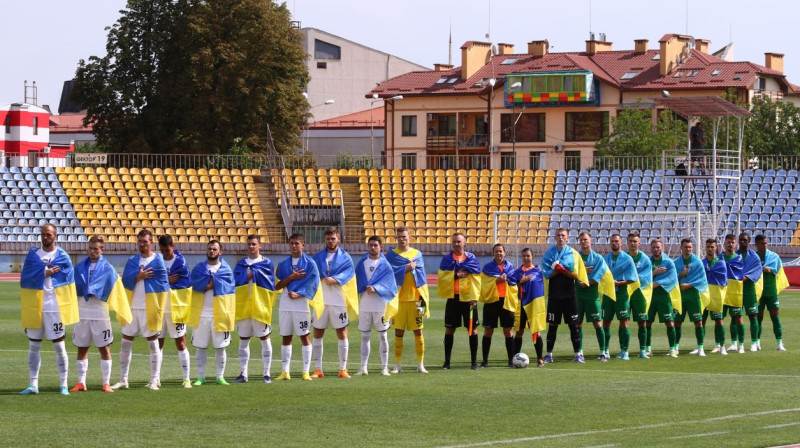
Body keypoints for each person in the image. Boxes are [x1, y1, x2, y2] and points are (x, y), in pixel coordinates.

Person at [19, 224, 79, 395]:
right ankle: (33, 384)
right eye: (43, 234)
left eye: (49, 234)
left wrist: (52, 273)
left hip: (55, 308)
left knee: (59, 346)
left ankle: (63, 384)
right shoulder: (33, 256)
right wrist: (45, 272)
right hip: (36, 306)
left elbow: (68, 279)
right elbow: (26, 277)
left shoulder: (63, 257)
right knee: (33, 346)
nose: (45, 237)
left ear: (55, 236)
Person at [70, 236, 131, 393]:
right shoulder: (79, 267)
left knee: (104, 348)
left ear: (102, 250)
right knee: (82, 348)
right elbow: (72, 286)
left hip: (99, 312)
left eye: (96, 249)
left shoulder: (108, 268)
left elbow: (115, 288)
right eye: (90, 248)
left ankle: (106, 383)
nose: (92, 251)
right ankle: (81, 382)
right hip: (82, 311)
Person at [114, 229, 169, 390]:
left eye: (145, 241)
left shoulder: (158, 262)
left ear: (151, 243)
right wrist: (139, 276)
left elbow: (163, 284)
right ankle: (123, 379)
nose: (142, 244)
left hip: (150, 308)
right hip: (132, 307)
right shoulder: (132, 261)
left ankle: (154, 380)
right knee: (125, 342)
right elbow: (126, 282)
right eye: (140, 241)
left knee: (153, 344)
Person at [311, 227, 358, 379]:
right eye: (328, 239)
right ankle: (318, 369)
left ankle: (343, 369)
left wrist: (337, 279)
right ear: (325, 240)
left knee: (342, 333)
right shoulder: (317, 257)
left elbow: (349, 274)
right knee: (317, 332)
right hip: (321, 299)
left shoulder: (346, 257)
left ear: (338, 239)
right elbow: (312, 273)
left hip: (338, 300)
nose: (331, 241)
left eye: (333, 238)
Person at [275, 233, 323, 381]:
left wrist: (299, 294)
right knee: (286, 336)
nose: (294, 246)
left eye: (297, 243)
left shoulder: (310, 263)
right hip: (285, 303)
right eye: (292, 243)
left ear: (303, 245)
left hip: (301, 304)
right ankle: (285, 372)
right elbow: (277, 286)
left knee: (305, 336)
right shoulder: (283, 264)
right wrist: (291, 277)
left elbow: (313, 284)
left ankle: (305, 371)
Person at [189, 240, 236, 386]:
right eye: (209, 248)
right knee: (200, 346)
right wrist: (209, 285)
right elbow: (194, 285)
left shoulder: (226, 270)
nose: (212, 251)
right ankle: (200, 377)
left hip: (221, 313)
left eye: (214, 249)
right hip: (201, 313)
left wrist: (209, 285)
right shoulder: (198, 269)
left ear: (220, 252)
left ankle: (220, 377)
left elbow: (229, 287)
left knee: (220, 347)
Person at [232, 235, 277, 384]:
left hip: (260, 307)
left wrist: (254, 274)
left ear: (260, 246)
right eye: (249, 244)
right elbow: (235, 281)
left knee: (264, 338)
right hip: (244, 307)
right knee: (243, 340)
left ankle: (266, 373)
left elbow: (270, 283)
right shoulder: (241, 264)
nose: (251, 247)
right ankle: (243, 373)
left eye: (254, 244)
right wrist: (247, 276)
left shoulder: (266, 263)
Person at [385, 226, 430, 374]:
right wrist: (406, 268)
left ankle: (420, 364)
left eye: (405, 236)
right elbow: (389, 274)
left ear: (410, 237)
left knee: (419, 332)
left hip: (417, 299)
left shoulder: (417, 254)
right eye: (399, 237)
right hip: (398, 300)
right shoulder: (391, 255)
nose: (402, 239)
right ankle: (397, 365)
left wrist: (423, 302)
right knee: (398, 332)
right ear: (396, 238)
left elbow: (422, 277)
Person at [541, 228, 588, 364]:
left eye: (563, 235)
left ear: (567, 238)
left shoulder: (573, 254)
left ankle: (578, 354)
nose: (560, 238)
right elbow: (547, 273)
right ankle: (549, 354)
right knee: (552, 325)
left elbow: (575, 275)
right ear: (554, 238)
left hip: (569, 295)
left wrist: (562, 269)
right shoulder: (549, 253)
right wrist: (557, 270)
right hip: (555, 295)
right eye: (558, 235)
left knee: (574, 325)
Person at [354, 236, 399, 376]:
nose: (373, 248)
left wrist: (377, 288)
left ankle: (384, 367)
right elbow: (356, 281)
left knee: (383, 337)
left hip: (380, 306)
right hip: (365, 305)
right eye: (371, 245)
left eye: (375, 245)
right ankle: (363, 367)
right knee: (364, 337)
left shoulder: (385, 265)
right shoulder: (362, 262)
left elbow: (390, 286)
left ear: (381, 247)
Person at [438, 232, 482, 370]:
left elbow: (476, 279)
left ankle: (474, 362)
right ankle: (447, 362)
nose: (457, 244)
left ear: (464, 243)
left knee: (472, 330)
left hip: (469, 299)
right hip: (453, 298)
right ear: (452, 243)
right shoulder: (447, 259)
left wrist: (475, 298)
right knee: (449, 329)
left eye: (459, 241)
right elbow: (442, 277)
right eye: (455, 241)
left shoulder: (471, 258)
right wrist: (456, 275)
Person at [157, 235, 193, 388]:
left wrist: (162, 280)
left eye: (167, 250)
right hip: (159, 307)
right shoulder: (157, 260)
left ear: (173, 245)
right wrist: (166, 278)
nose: (165, 253)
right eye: (162, 250)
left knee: (180, 341)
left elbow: (184, 282)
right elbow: (153, 279)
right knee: (157, 343)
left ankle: (186, 378)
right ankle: (155, 378)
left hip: (175, 307)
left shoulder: (181, 262)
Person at [575, 232, 614, 362]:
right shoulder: (576, 257)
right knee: (577, 324)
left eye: (585, 239)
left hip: (592, 296)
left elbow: (597, 278)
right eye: (581, 240)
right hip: (578, 296)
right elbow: (571, 273)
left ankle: (603, 352)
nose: (583, 242)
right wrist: (583, 273)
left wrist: (584, 279)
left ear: (590, 240)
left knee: (598, 323)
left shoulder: (598, 258)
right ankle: (579, 352)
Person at [479, 244, 518, 368]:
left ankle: (511, 361)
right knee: (488, 331)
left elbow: (514, 286)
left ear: (504, 253)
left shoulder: (510, 267)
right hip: (492, 301)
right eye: (496, 251)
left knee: (508, 331)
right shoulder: (487, 268)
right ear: (493, 253)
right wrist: (496, 281)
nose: (499, 254)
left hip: (506, 302)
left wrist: (513, 305)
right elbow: (483, 284)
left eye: (501, 251)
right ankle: (485, 361)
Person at [601, 234, 638, 361]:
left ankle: (625, 350)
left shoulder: (627, 259)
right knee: (606, 322)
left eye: (616, 241)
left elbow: (632, 279)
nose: (614, 243)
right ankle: (605, 350)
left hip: (621, 294)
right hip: (607, 294)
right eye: (612, 241)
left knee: (624, 322)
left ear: (621, 243)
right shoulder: (605, 258)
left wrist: (618, 283)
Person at [508, 248, 546, 366]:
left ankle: (540, 358)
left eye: (528, 256)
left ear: (532, 256)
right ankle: (515, 359)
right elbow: (511, 285)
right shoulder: (517, 272)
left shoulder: (537, 271)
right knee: (519, 332)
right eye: (524, 256)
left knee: (536, 331)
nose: (526, 258)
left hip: (533, 305)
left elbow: (539, 287)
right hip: (521, 306)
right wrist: (521, 281)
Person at [673, 239, 710, 357]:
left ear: (692, 248)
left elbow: (702, 280)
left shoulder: (697, 262)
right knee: (677, 323)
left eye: (689, 247)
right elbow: (671, 279)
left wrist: (689, 285)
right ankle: (675, 347)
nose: (687, 249)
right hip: (680, 297)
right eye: (685, 247)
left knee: (698, 322)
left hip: (694, 297)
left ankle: (700, 348)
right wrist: (681, 275)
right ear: (681, 248)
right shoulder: (676, 263)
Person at [645, 239, 680, 357]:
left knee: (670, 323)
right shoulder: (647, 262)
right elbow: (642, 278)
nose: (656, 249)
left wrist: (657, 283)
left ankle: (672, 349)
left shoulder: (669, 262)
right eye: (654, 247)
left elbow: (672, 279)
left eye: (658, 247)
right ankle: (648, 349)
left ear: (662, 248)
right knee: (647, 323)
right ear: (651, 248)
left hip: (664, 296)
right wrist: (654, 273)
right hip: (650, 297)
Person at [755, 235, 790, 351]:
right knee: (758, 318)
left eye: (765, 243)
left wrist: (769, 269)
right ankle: (757, 342)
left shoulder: (774, 257)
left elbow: (777, 270)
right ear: (756, 244)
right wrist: (761, 268)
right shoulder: (753, 257)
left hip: (771, 292)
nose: (764, 245)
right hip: (758, 292)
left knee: (775, 317)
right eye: (761, 243)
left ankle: (779, 343)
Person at [627, 233, 653, 359]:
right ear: (627, 242)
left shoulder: (645, 259)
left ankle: (643, 350)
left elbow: (646, 278)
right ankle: (624, 350)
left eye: (635, 241)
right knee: (623, 321)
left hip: (640, 293)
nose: (633, 243)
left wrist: (630, 277)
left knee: (642, 322)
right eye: (631, 241)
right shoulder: (623, 257)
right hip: (625, 293)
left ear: (639, 243)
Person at [737, 233, 764, 352]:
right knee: (736, 316)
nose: (743, 242)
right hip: (736, 290)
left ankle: (754, 342)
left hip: (748, 289)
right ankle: (738, 343)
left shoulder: (754, 256)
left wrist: (746, 277)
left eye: (745, 240)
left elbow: (757, 271)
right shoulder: (734, 255)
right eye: (741, 240)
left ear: (749, 241)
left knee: (753, 316)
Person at [702, 239, 728, 355]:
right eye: (708, 247)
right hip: (703, 295)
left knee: (719, 320)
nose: (710, 249)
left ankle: (721, 345)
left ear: (716, 247)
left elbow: (723, 280)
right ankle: (700, 346)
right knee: (701, 321)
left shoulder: (721, 263)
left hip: (716, 295)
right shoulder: (702, 263)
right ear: (705, 248)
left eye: (712, 247)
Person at [721, 234, 746, 354]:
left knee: (738, 319)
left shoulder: (739, 259)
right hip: (722, 293)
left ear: (735, 244)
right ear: (724, 243)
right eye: (728, 242)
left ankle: (741, 345)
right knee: (720, 319)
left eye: (732, 242)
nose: (730, 244)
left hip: (735, 293)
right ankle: (723, 345)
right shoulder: (719, 258)